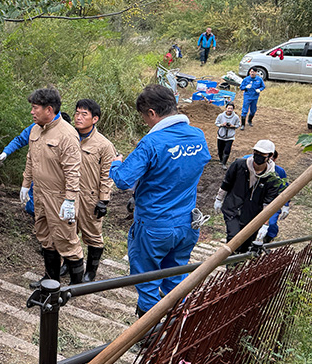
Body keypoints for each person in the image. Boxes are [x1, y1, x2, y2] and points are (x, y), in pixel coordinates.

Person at [109, 85, 210, 319]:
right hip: (186, 224)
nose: (146, 122)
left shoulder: (152, 142)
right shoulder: (197, 136)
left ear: (152, 113)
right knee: (176, 279)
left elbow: (123, 180)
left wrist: (115, 163)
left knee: (146, 279)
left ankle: (149, 334)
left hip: (154, 225)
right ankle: (177, 325)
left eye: (144, 117)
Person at [21, 88, 84, 285]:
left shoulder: (67, 134)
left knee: (66, 240)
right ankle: (50, 280)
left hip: (60, 196)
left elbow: (73, 171)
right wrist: (25, 185)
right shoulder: (35, 129)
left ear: (49, 109)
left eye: (35, 108)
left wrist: (70, 199)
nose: (32, 112)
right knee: (45, 237)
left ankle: (76, 286)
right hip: (40, 193)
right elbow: (31, 159)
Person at [214, 139, 286, 252]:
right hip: (233, 209)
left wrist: (265, 224)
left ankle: (238, 267)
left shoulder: (272, 178)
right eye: (256, 152)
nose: (258, 156)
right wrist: (219, 199)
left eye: (262, 154)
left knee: (246, 245)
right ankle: (231, 267)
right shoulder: (239, 165)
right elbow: (226, 183)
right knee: (233, 240)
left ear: (270, 156)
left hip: (253, 215)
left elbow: (268, 203)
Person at [73, 99, 116, 282]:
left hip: (90, 196)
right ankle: (68, 267)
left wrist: (103, 199)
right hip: (68, 194)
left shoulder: (103, 145)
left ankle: (90, 272)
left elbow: (108, 174)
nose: (79, 117)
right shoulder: (70, 137)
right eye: (77, 113)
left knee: (92, 235)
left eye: (84, 114)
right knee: (67, 233)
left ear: (95, 119)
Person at [214, 101, 242, 165]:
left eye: (231, 108)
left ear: (233, 109)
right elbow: (216, 123)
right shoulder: (220, 116)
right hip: (221, 135)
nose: (229, 110)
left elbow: (238, 125)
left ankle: (224, 163)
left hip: (230, 137)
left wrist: (233, 126)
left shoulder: (236, 117)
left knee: (227, 151)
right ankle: (221, 160)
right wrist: (222, 124)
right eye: (228, 108)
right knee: (220, 150)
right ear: (226, 108)